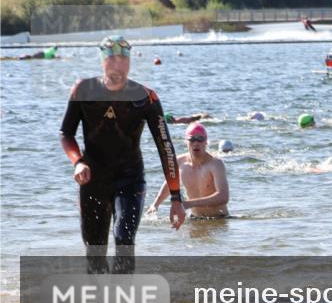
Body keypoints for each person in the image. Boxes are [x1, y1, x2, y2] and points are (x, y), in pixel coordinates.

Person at [59, 35, 185, 274]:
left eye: (123, 59)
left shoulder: (146, 97)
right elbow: (66, 133)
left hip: (130, 179)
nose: (117, 64)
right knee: (95, 251)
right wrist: (77, 162)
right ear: (102, 61)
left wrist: (176, 199)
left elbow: (165, 147)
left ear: (129, 63)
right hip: (92, 179)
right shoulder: (83, 90)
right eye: (111, 59)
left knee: (123, 238)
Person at [148, 123, 230, 218]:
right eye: (192, 139)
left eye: (200, 139)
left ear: (206, 142)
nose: (196, 143)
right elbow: (169, 184)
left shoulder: (216, 164)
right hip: (194, 218)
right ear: (186, 141)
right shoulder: (179, 162)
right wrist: (155, 204)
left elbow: (223, 197)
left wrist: (188, 204)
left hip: (219, 220)